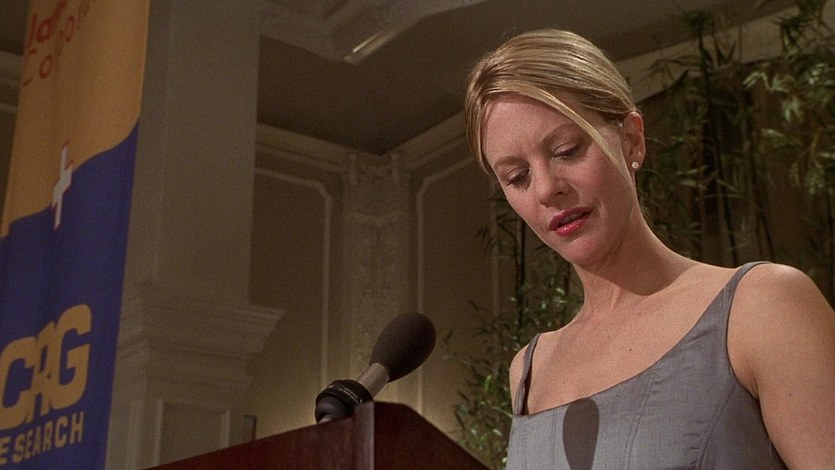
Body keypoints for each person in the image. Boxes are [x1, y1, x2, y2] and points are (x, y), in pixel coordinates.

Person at [464, 29, 835, 469]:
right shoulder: (528, 370)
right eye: (517, 177)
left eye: (566, 150)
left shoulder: (763, 307)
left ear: (632, 140)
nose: (546, 189)